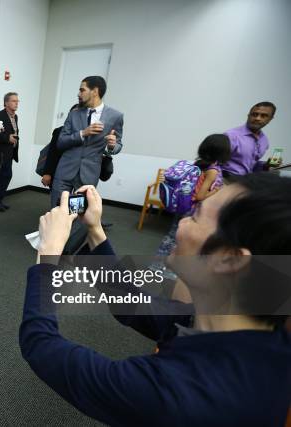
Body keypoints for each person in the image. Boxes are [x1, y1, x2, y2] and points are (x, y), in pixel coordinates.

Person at [20, 176, 291, 426]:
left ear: (230, 259)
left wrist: (48, 255)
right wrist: (95, 229)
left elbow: (41, 345)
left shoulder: (177, 394)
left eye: (195, 216)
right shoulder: (239, 331)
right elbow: (128, 302)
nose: (182, 220)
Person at [151, 134, 231, 278]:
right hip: (192, 210)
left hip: (183, 205)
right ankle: (168, 270)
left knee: (173, 236)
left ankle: (157, 265)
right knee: (181, 239)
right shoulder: (213, 170)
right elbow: (200, 196)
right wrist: (217, 190)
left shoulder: (198, 163)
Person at [53, 76, 124, 209]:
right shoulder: (73, 114)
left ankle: (72, 231)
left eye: (82, 90)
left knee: (76, 211)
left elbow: (118, 145)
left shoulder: (115, 116)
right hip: (64, 172)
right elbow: (61, 142)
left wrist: (112, 145)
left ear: (95, 91)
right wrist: (83, 133)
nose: (78, 94)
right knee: (58, 209)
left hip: (88, 176)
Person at [221, 101, 282, 178]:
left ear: (270, 119)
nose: (257, 118)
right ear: (248, 115)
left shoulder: (264, 140)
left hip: (245, 181)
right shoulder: (231, 136)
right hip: (225, 179)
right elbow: (213, 163)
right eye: (254, 114)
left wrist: (266, 165)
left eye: (264, 116)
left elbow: (249, 165)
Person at [0, 92, 19, 212]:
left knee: (5, 176)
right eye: (13, 101)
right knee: (3, 176)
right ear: (6, 103)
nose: (16, 103)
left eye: (17, 101)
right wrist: (8, 138)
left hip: (10, 152)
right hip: (1, 153)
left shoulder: (15, 116)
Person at [40, 104, 79, 188]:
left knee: (75, 200)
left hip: (78, 177)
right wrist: (47, 173)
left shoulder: (86, 134)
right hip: (59, 174)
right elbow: (52, 152)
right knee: (58, 200)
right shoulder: (59, 131)